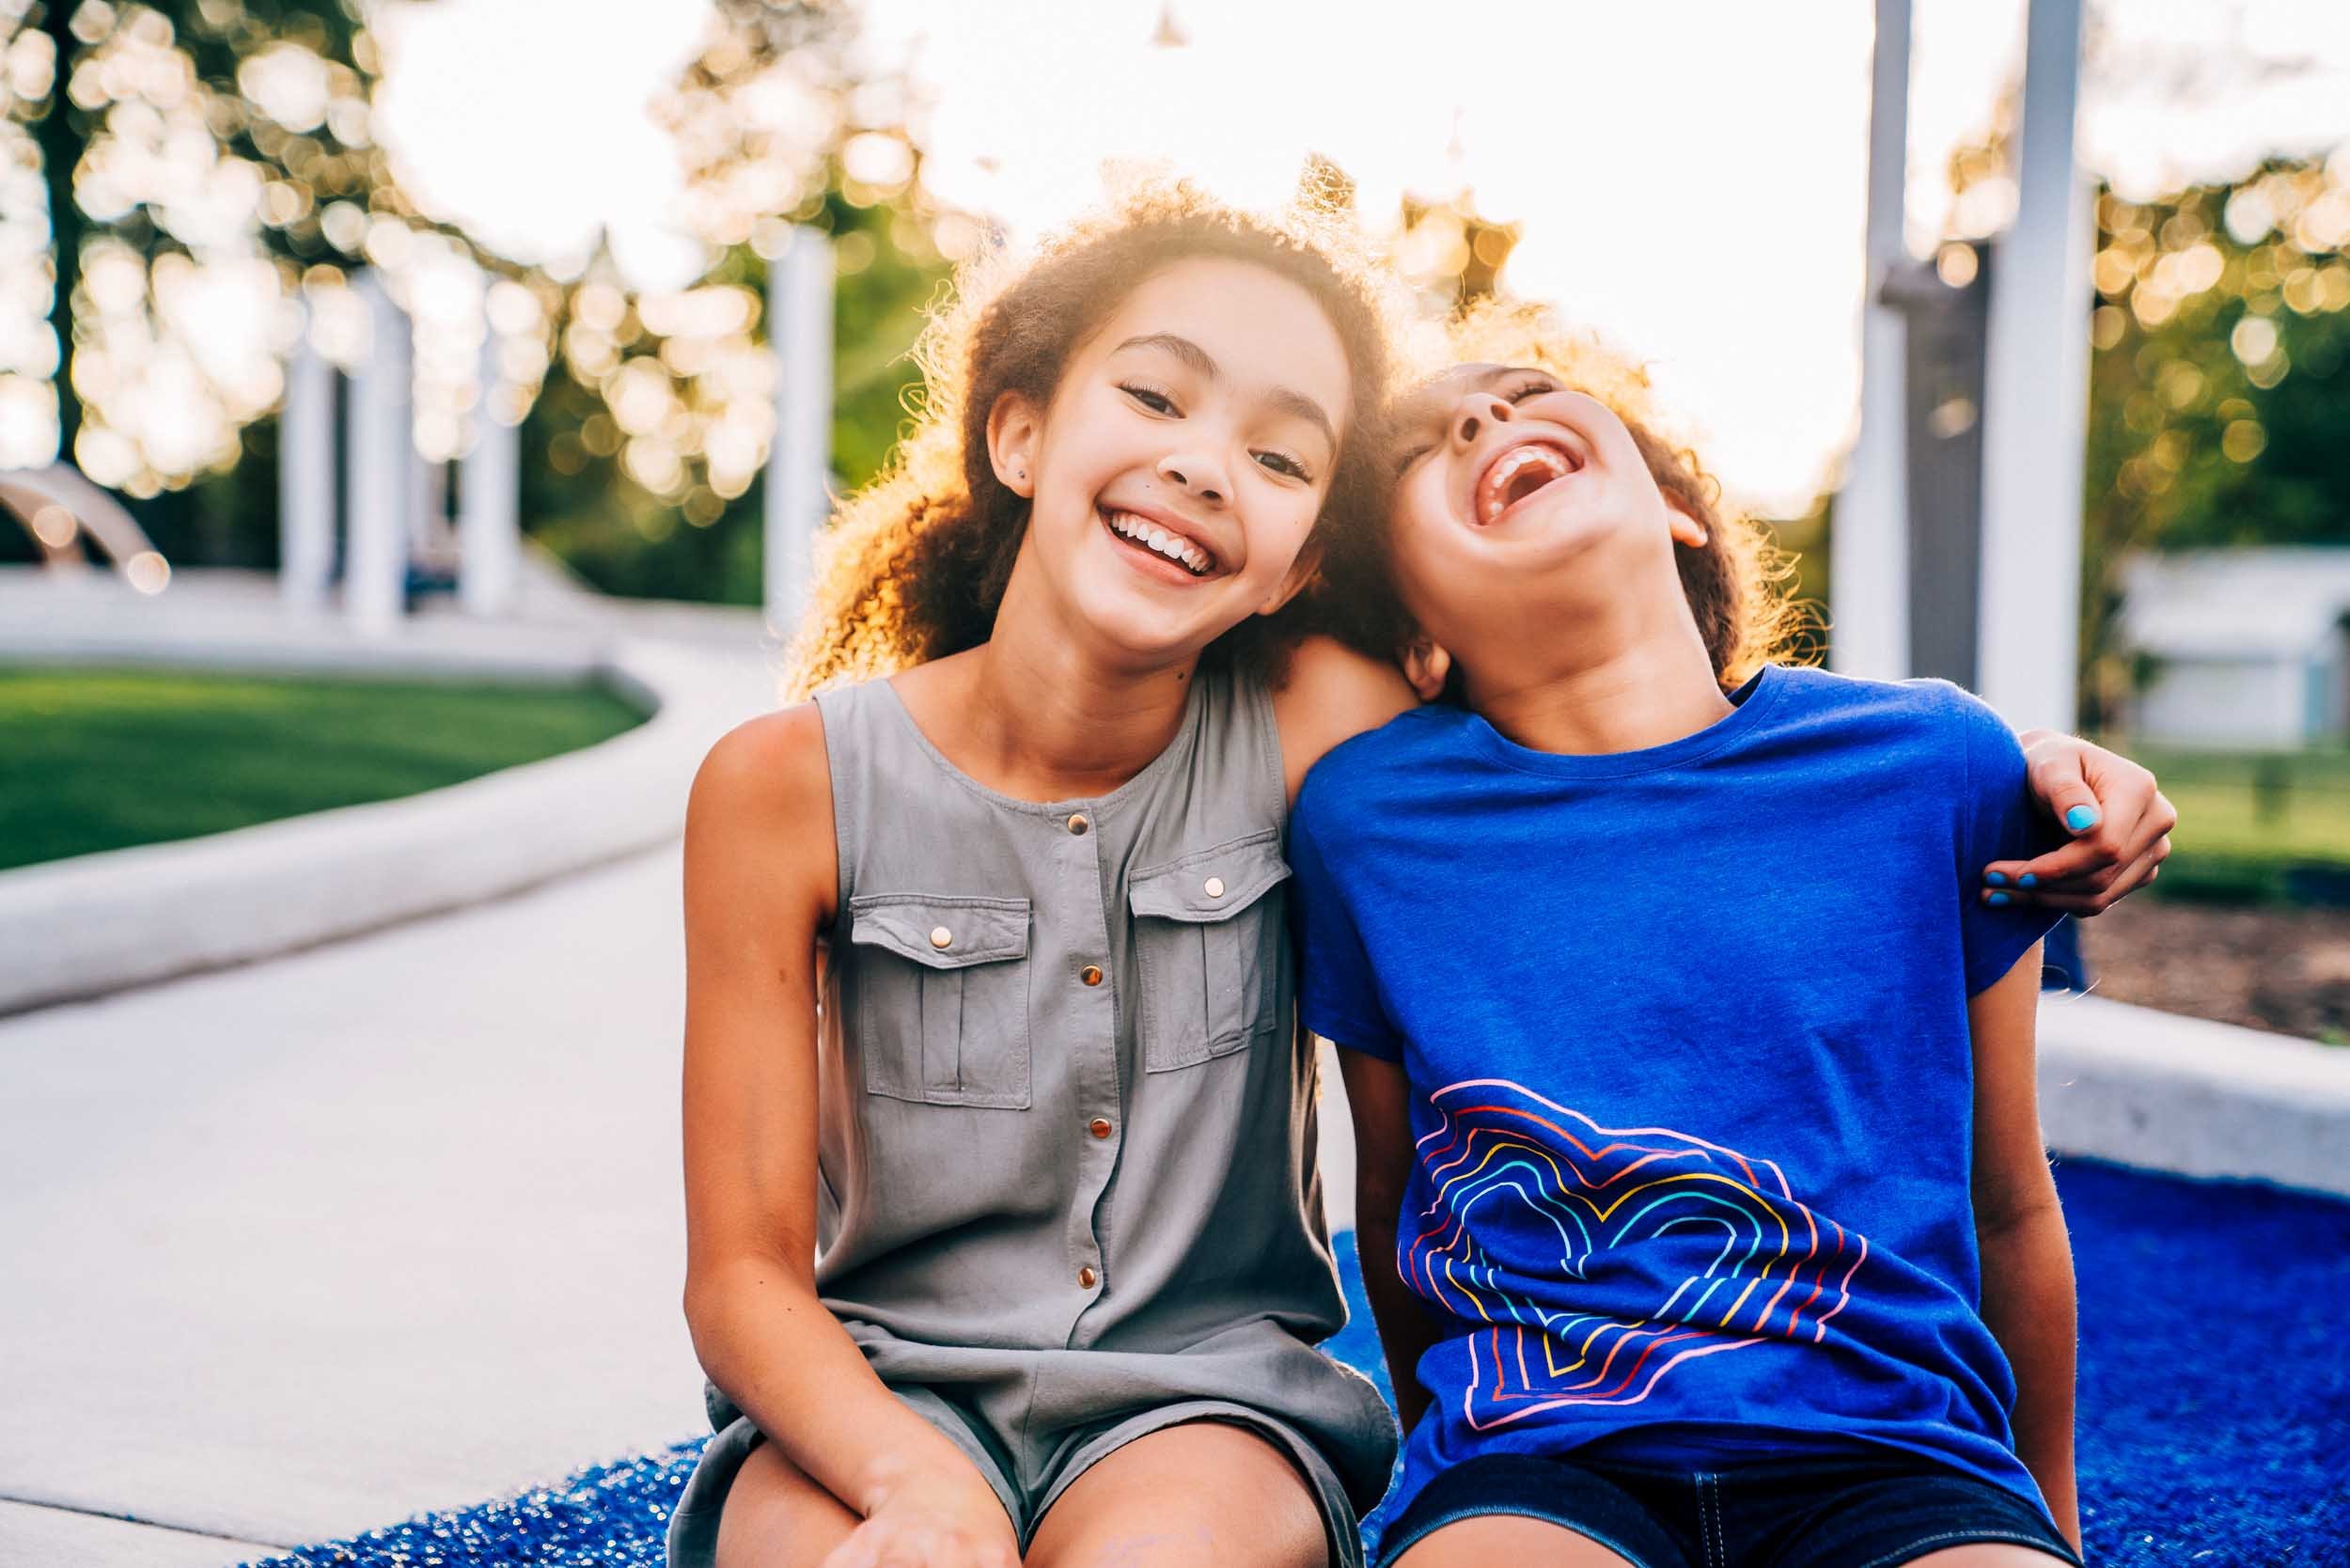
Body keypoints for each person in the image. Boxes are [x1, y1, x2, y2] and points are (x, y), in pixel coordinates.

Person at [1287, 304, 2175, 1568]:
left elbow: (2009, 1205)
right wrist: (1452, 1495)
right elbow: (1391, 1206)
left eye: (1526, 388)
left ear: (1677, 509)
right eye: (1418, 451)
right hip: (1539, 1466)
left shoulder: (1935, 764)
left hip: (1897, 1462)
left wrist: (2043, 1526)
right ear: (1417, 638)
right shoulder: (1365, 821)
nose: (1487, 417)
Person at [668, 187, 1423, 1568]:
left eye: (1276, 456)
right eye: (1153, 395)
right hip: (873, 1400)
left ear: (1299, 562)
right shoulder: (779, 789)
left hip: (1206, 1409)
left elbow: (1596, 759)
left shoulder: (1327, 725)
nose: (1204, 467)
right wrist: (918, 1489)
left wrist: (1937, 828)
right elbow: (740, 1274)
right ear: (1018, 432)